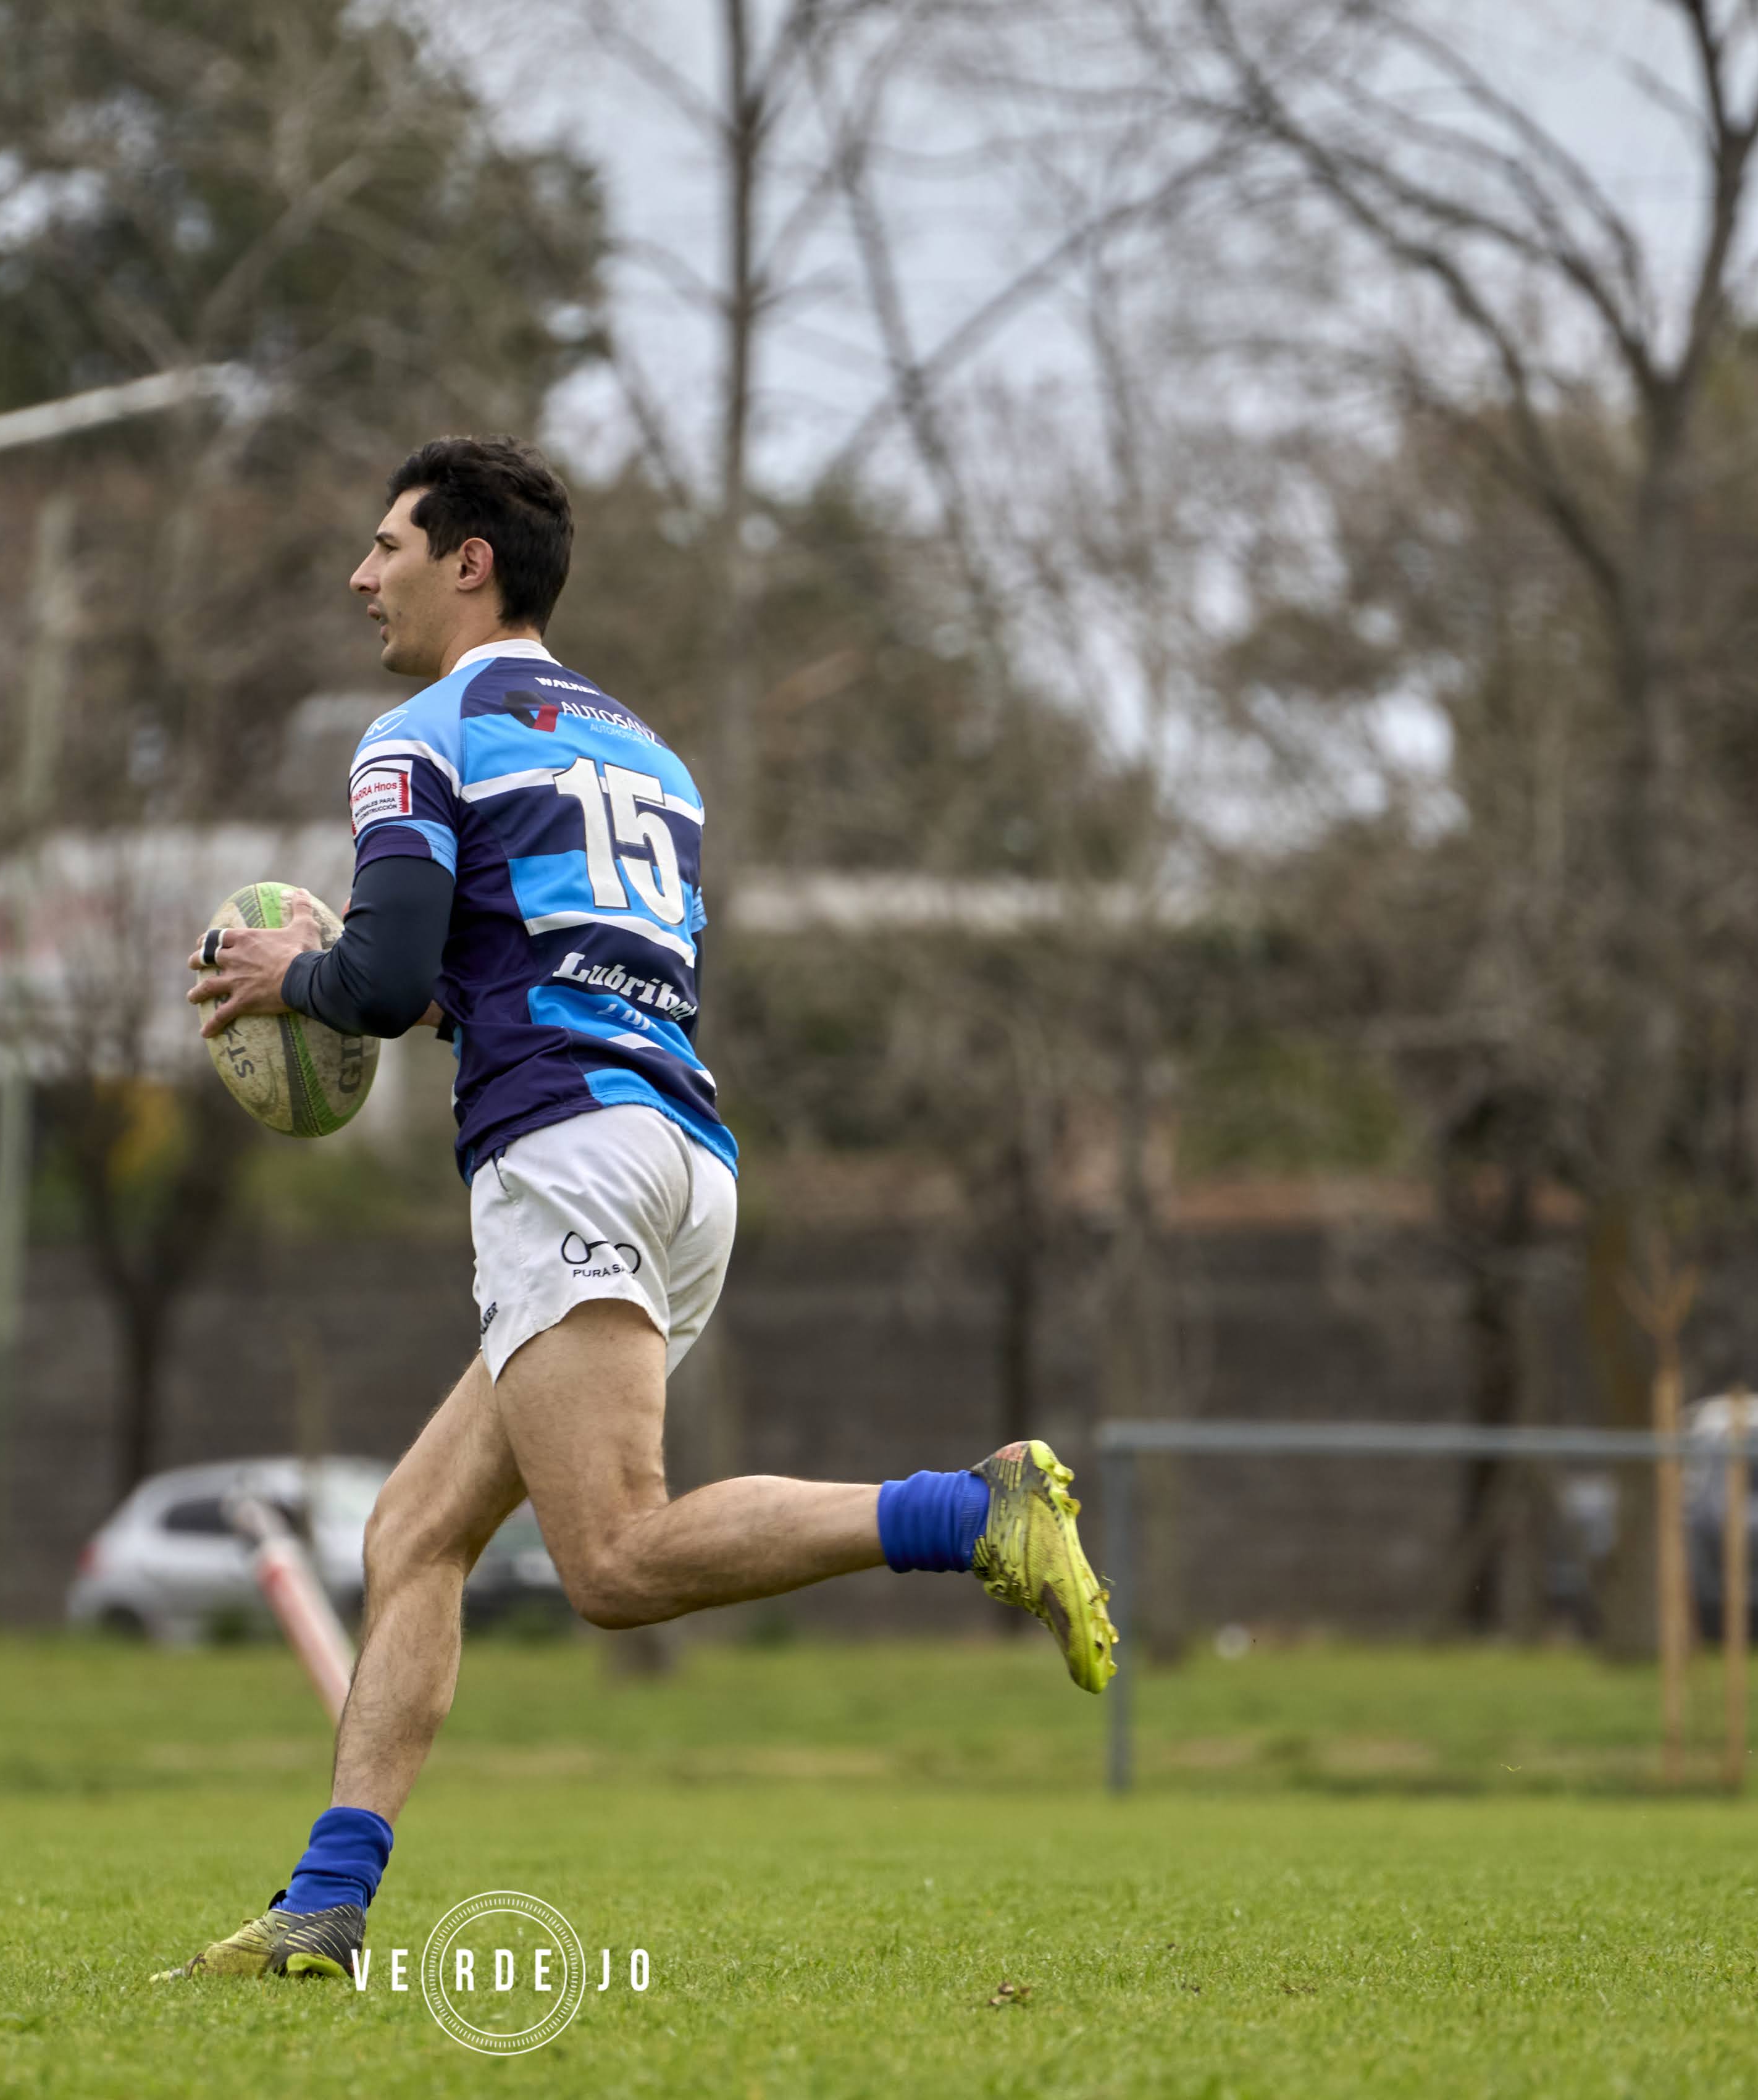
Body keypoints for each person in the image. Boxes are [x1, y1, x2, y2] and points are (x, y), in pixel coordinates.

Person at [162, 435, 1116, 1982]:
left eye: (387, 543)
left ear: (469, 561)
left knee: (612, 1558)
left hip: (565, 1152)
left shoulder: (418, 733)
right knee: (414, 1530)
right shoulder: (649, 755)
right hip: (677, 1152)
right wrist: (376, 996)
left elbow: (393, 974)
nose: (361, 574)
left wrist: (301, 981)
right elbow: (535, 970)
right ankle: (322, 1909)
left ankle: (976, 1509)